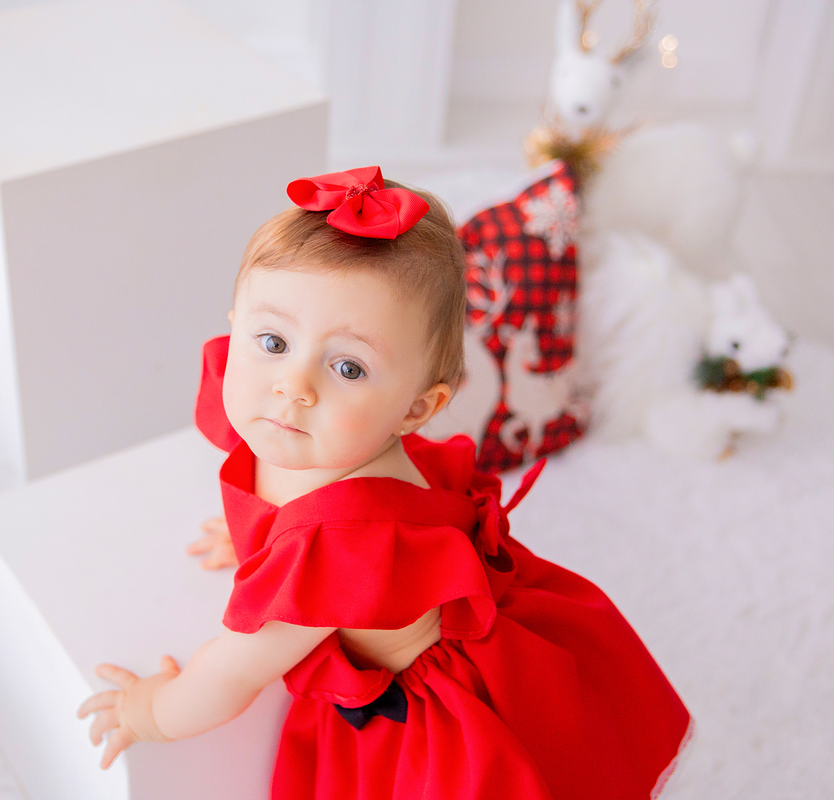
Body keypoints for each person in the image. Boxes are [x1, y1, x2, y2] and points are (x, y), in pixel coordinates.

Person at [78, 167, 691, 799]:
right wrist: (256, 544)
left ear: (416, 409)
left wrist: (147, 712)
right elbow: (281, 493)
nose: (294, 384)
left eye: (348, 367)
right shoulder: (299, 426)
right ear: (236, 327)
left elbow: (231, 674)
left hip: (437, 708)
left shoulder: (340, 542)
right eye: (273, 340)